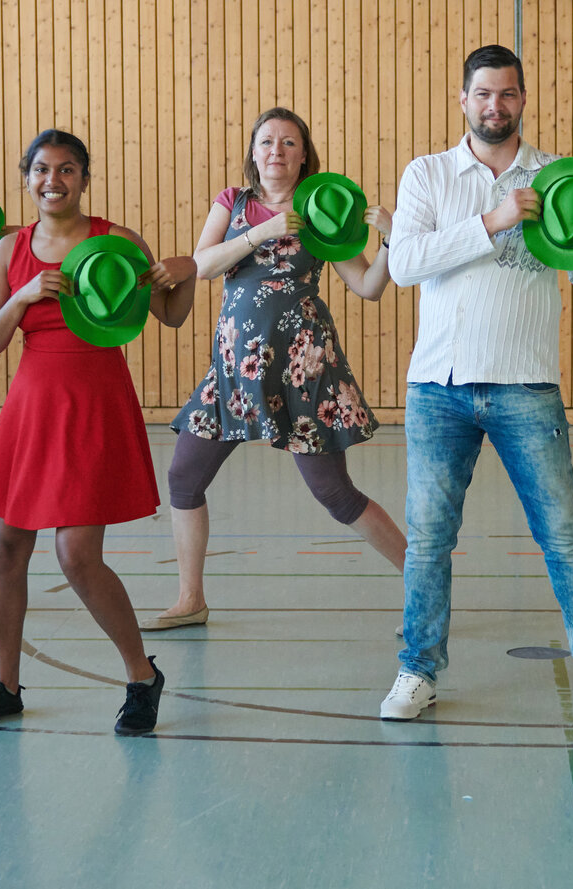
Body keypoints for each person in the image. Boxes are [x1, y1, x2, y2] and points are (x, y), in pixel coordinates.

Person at [378, 45, 573, 721]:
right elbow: (407, 262)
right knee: (430, 536)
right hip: (438, 386)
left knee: (563, 531)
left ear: (523, 99)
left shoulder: (560, 177)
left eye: (506, 94)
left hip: (526, 383)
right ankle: (417, 670)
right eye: (482, 94)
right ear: (462, 99)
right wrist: (491, 222)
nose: (494, 106)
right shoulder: (429, 174)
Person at [0, 129, 197, 734]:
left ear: (84, 178)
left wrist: (186, 270)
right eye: (40, 170)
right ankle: (4, 684)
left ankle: (142, 676)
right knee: (5, 546)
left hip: (95, 401)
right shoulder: (11, 251)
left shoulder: (117, 241)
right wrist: (22, 297)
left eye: (66, 170)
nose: (52, 181)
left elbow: (170, 314)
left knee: (76, 555)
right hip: (32, 404)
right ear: (25, 177)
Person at [144, 107, 406, 632]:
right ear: (253, 152)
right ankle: (190, 597)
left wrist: (392, 240)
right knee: (183, 477)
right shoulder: (233, 203)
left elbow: (369, 286)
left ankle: (424, 588)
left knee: (335, 493)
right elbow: (201, 264)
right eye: (267, 142)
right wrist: (259, 235)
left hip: (304, 369)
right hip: (236, 370)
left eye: (289, 143)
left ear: (303, 154)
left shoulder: (322, 210)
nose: (277, 152)